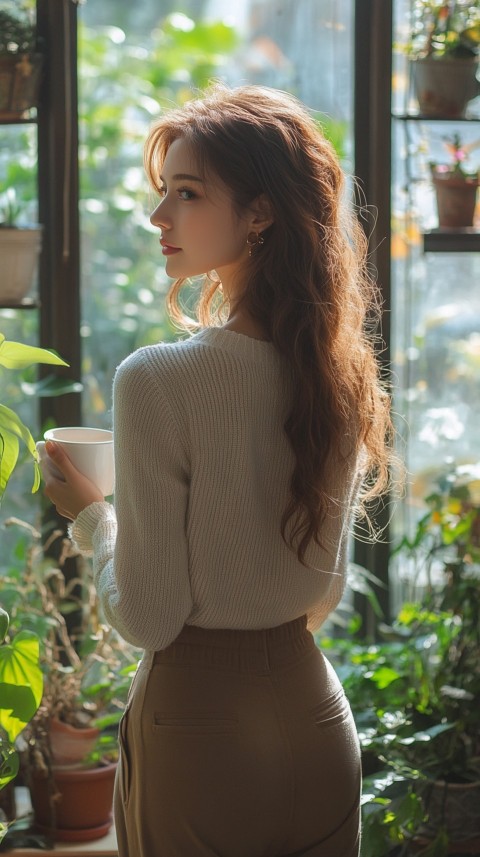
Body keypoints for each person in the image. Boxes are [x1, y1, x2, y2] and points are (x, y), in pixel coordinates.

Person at [42, 83, 394, 857]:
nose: (159, 218)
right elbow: (318, 596)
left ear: (260, 212)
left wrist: (91, 516)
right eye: (163, 193)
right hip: (314, 717)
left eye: (187, 194)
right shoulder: (341, 376)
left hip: (198, 729)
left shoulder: (157, 378)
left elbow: (148, 616)